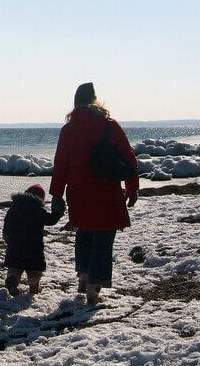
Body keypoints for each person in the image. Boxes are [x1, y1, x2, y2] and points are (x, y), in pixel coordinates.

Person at [48, 82, 139, 306]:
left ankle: (84, 276)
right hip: (106, 191)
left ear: (76, 103)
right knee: (103, 238)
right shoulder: (109, 126)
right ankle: (93, 288)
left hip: (78, 193)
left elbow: (60, 165)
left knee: (85, 233)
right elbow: (128, 159)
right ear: (95, 100)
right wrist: (132, 187)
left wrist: (57, 195)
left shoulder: (68, 130)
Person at [2, 183, 64, 296]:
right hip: (33, 250)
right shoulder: (37, 210)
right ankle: (34, 289)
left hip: (14, 247)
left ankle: (13, 280)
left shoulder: (14, 208)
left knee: (14, 268)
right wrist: (58, 212)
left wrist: (6, 235)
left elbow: (7, 223)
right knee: (34, 273)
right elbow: (51, 220)